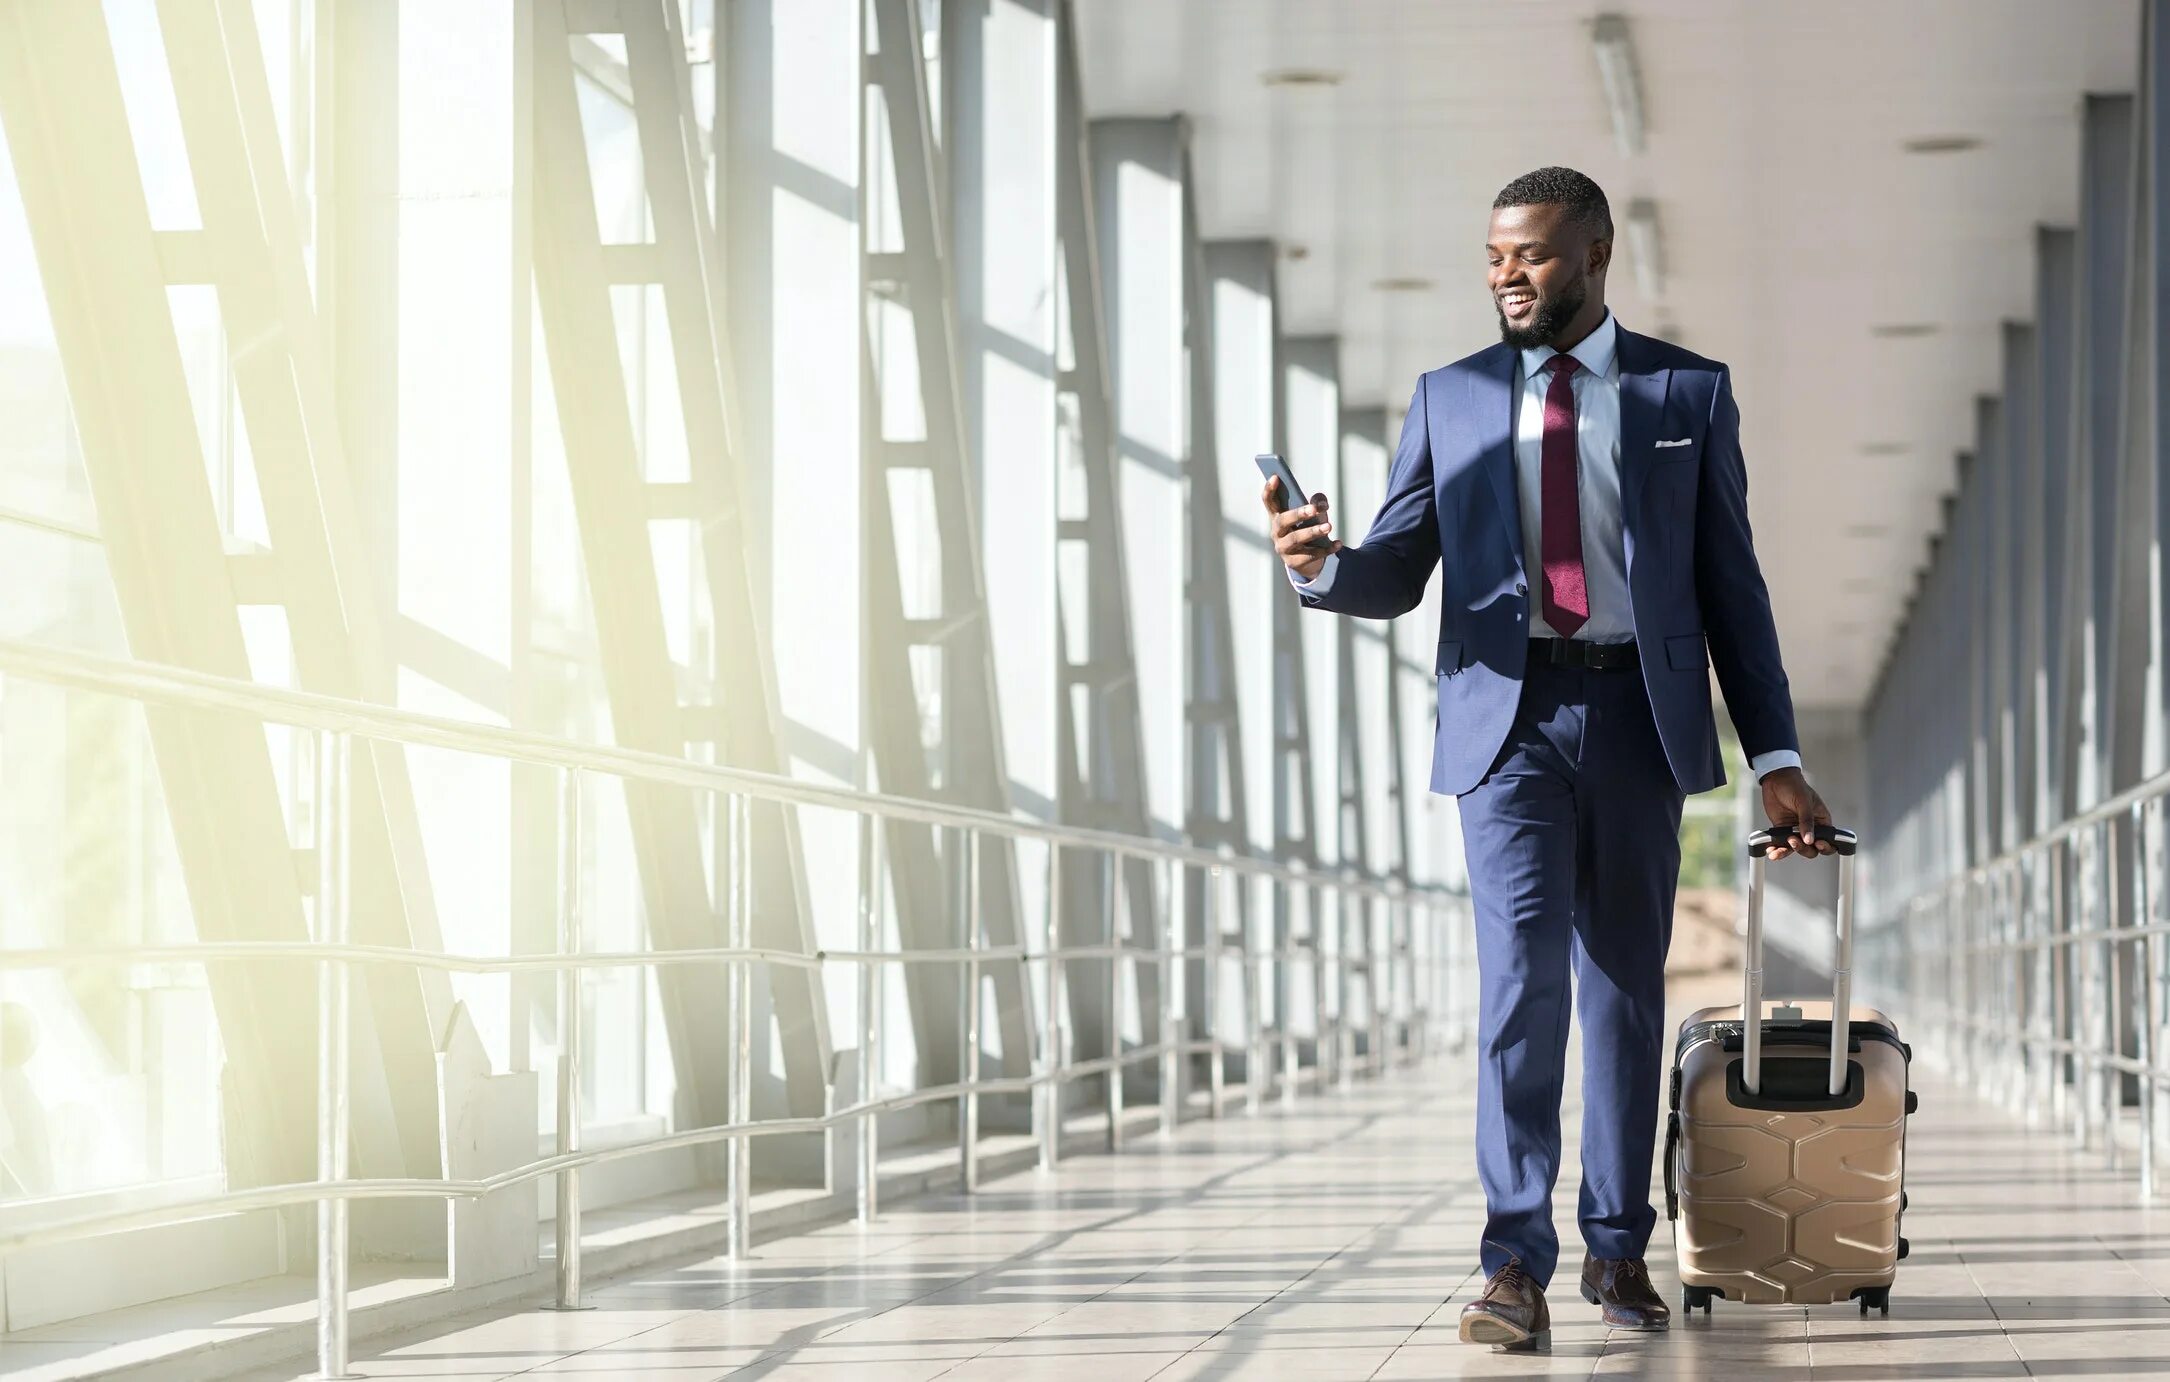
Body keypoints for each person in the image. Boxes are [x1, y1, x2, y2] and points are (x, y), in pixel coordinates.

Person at [1265, 166, 1834, 1352]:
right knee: (1520, 982)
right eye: (1492, 256)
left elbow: (1733, 587)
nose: (1504, 275)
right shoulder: (1452, 396)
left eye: (1528, 253)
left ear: (1593, 253)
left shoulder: (1685, 390)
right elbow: (1395, 568)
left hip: (1636, 715)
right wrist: (1319, 565)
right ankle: (1511, 1263)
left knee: (1621, 991)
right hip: (1505, 724)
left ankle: (1617, 1249)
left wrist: (1775, 751)